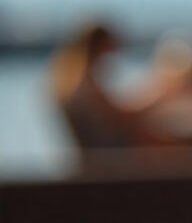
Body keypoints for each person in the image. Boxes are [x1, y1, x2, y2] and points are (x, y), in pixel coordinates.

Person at [50, 23, 182, 150]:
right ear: (100, 46)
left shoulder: (71, 81)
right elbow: (120, 118)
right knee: (174, 141)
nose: (111, 55)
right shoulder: (85, 86)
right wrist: (160, 94)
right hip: (107, 156)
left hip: (97, 153)